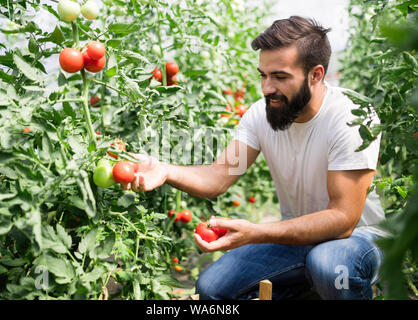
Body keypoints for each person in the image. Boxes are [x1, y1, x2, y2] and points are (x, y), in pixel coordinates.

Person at [123, 16, 386, 300]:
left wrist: (257, 232)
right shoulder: (260, 115)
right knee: (212, 289)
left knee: (329, 265)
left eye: (280, 77)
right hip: (298, 239)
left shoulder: (352, 117)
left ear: (316, 75)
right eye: (263, 75)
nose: (267, 88)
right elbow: (218, 176)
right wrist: (165, 171)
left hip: (357, 239)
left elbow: (343, 219)